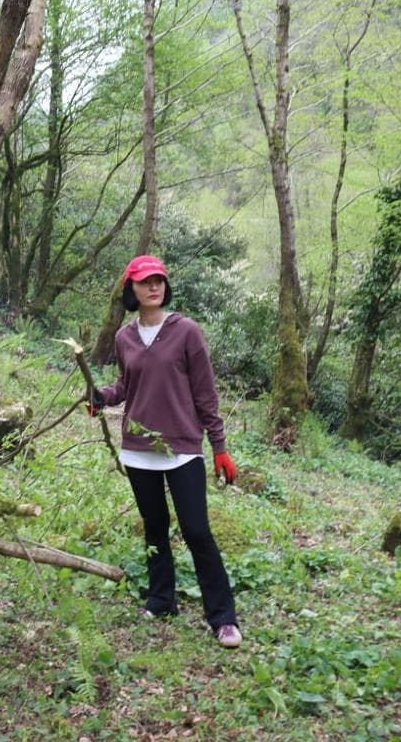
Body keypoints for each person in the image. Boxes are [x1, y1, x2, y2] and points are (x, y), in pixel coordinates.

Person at [89, 255, 242, 648]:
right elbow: (126, 387)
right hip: (139, 449)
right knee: (154, 528)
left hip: (183, 448)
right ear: (131, 289)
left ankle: (222, 617)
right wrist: (101, 397)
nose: (153, 287)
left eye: (159, 280)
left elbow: (206, 393)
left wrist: (219, 447)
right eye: (145, 282)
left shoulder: (187, 332)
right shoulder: (125, 338)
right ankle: (162, 600)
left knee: (197, 531)